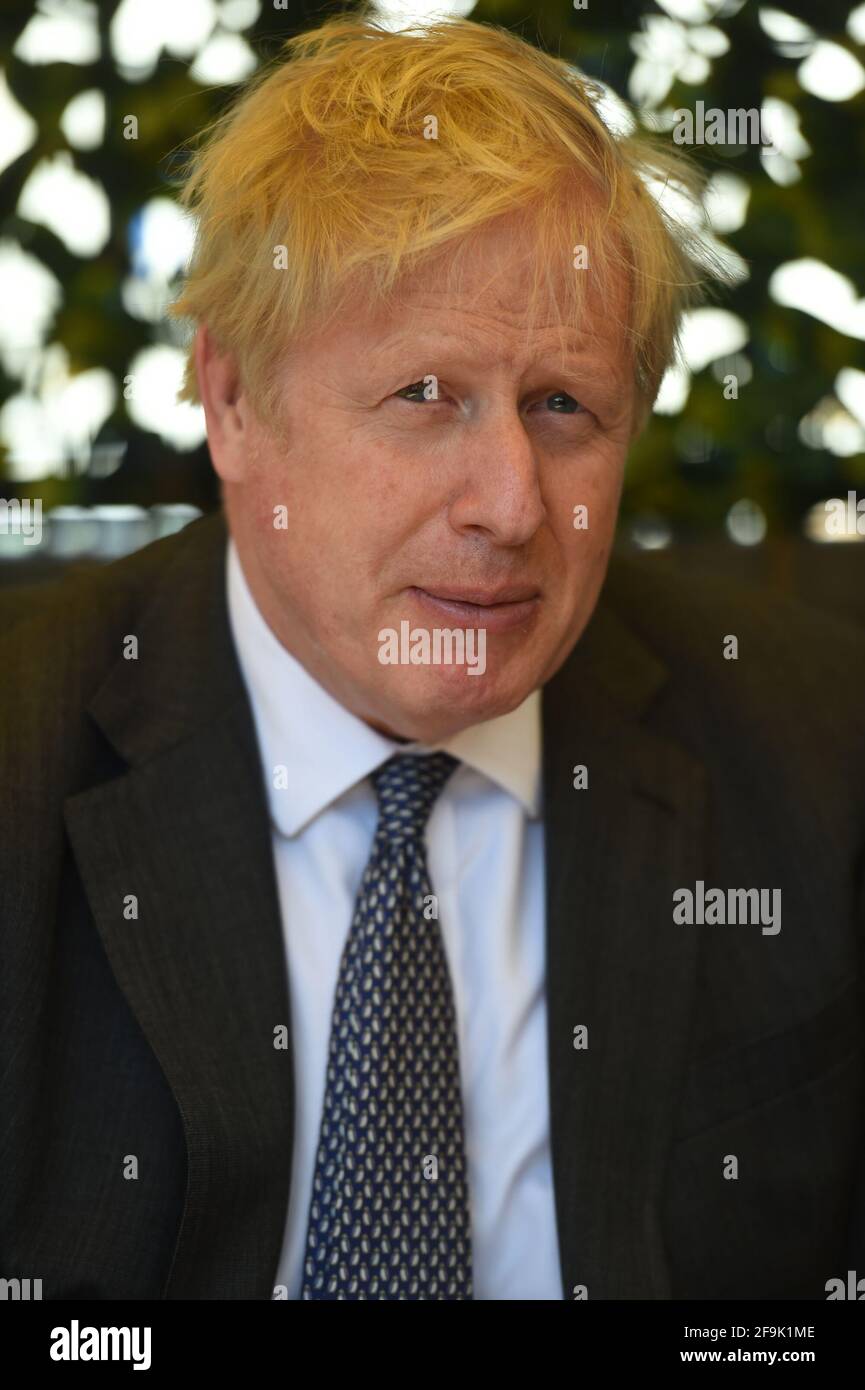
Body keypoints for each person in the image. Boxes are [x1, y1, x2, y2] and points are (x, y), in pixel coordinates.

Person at [2, 14, 864, 1302]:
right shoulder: (26, 746)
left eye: (563, 406)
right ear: (234, 403)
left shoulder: (823, 743)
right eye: (424, 397)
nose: (512, 506)